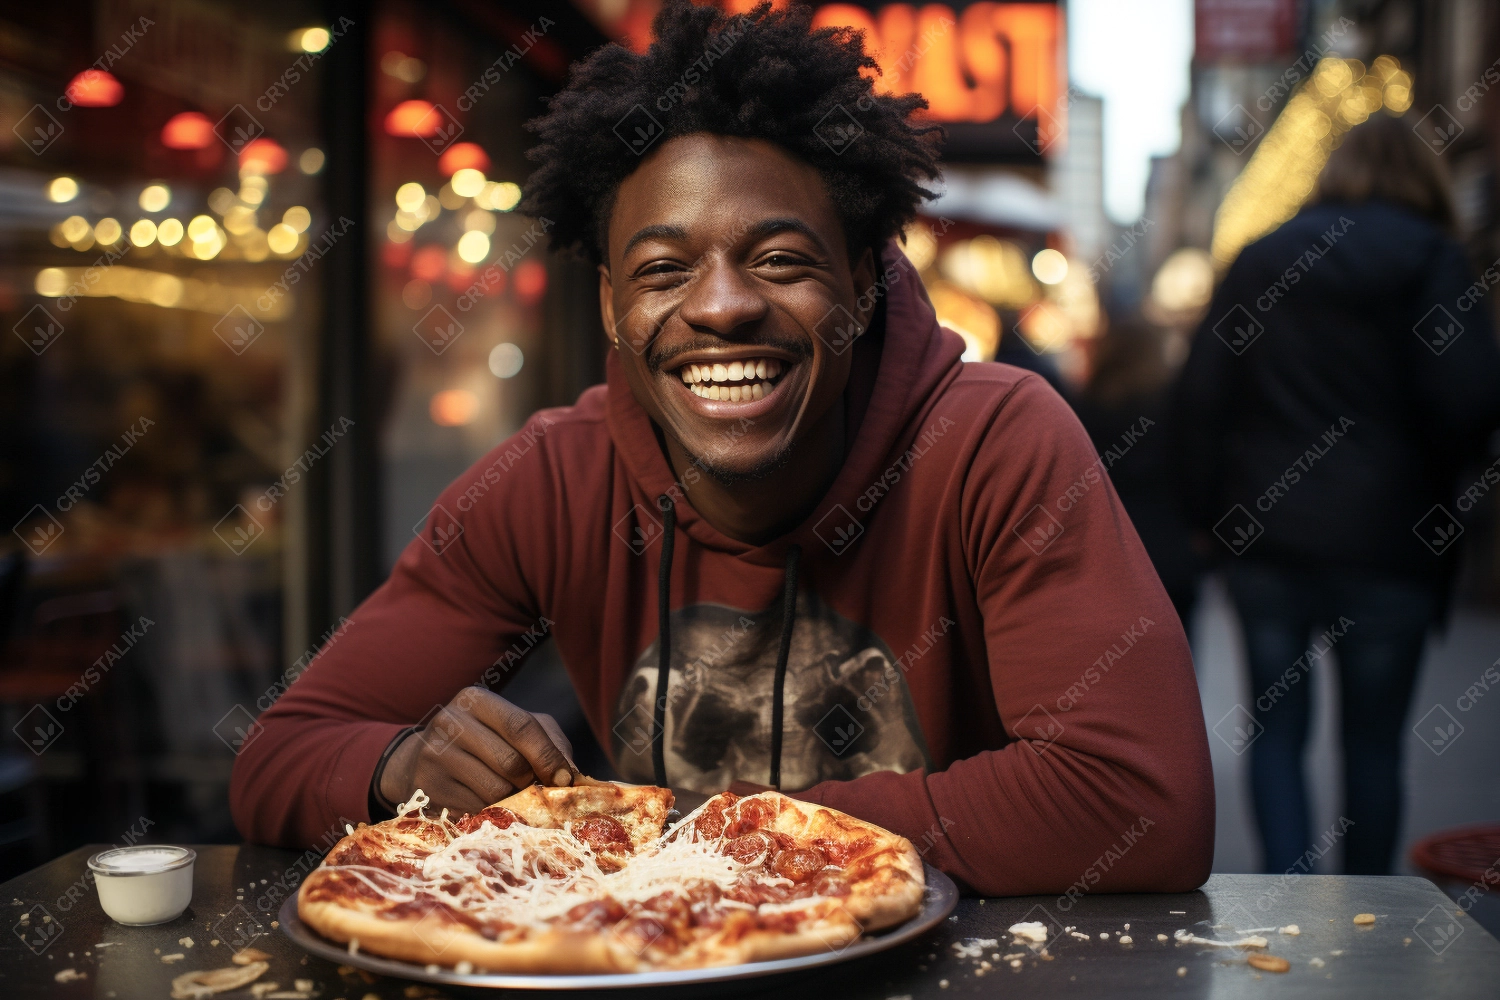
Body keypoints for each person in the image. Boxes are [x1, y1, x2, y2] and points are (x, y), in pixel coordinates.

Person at [231, 1, 1213, 896]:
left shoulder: (996, 441)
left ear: (864, 282)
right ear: (614, 305)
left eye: (779, 260)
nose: (722, 305)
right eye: (664, 269)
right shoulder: (552, 479)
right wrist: (398, 766)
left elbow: (1143, 802)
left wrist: (705, 833)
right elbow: (277, 757)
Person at [1173, 111, 1500, 875]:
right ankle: (1366, 925)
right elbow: (1470, 402)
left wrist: (1202, 518)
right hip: (1393, 542)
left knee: (1276, 734)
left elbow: (1198, 399)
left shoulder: (1261, 260)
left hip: (1269, 542)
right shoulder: (1433, 259)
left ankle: (1291, 908)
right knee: (1374, 747)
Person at [1073, 322, 1202, 630]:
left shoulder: (1082, 407)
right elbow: (1196, 472)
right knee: (1177, 660)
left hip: (1105, 557)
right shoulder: (1175, 406)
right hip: (1170, 551)